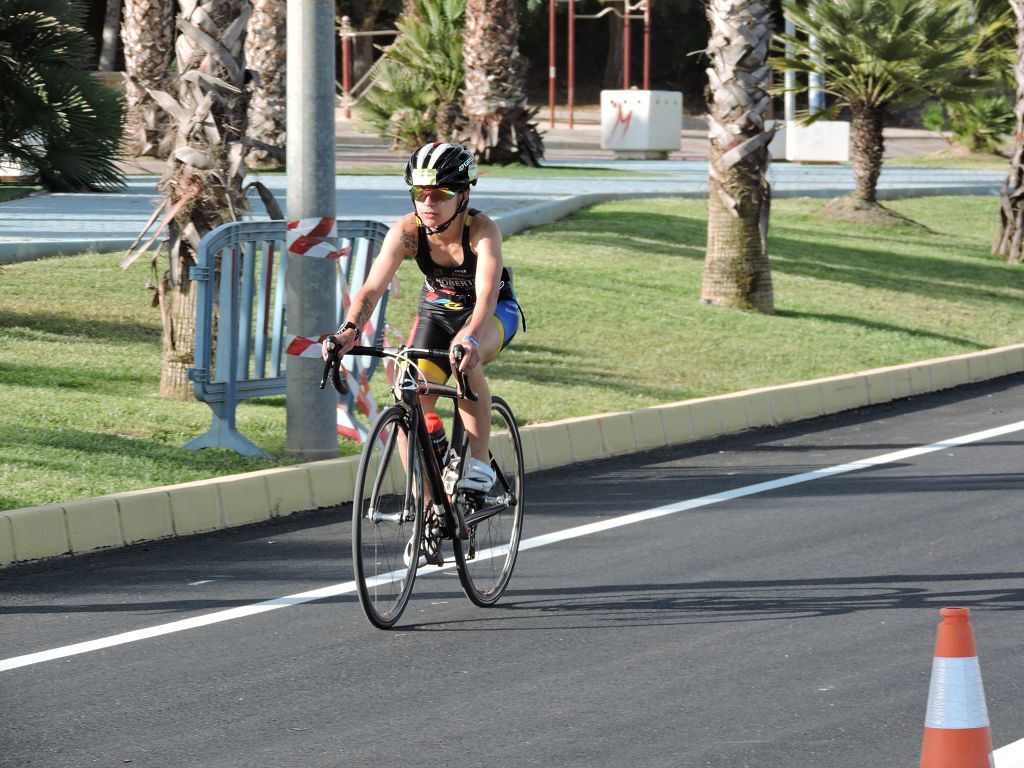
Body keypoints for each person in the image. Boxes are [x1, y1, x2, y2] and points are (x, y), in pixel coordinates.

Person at [322, 142, 522, 492]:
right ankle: (428, 506)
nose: (429, 203)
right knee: (407, 393)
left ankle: (478, 464)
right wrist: (348, 330)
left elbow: (487, 296)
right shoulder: (406, 232)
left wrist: (470, 337)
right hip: (437, 310)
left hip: (491, 313)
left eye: (441, 193)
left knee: (464, 358)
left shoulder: (482, 231)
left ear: (462, 195)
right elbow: (371, 289)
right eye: (420, 192)